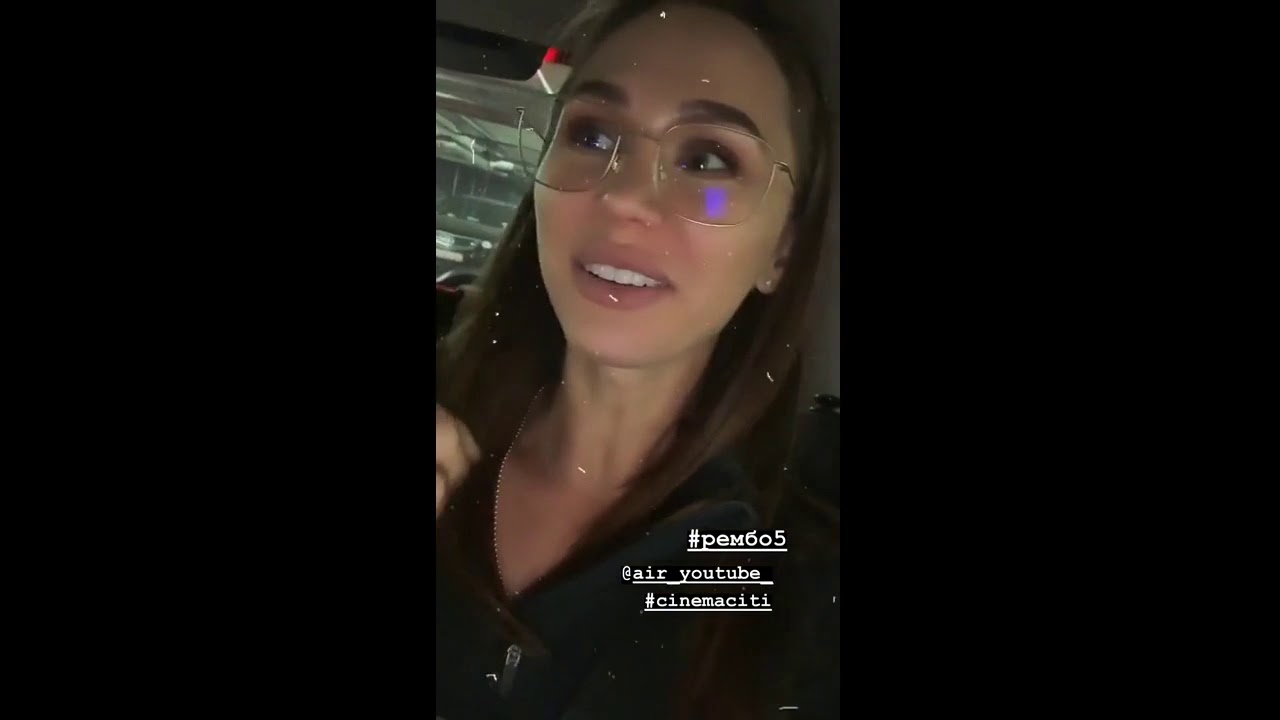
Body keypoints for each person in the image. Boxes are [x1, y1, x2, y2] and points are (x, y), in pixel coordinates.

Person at [435, 0, 839, 717]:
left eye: (707, 159)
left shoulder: (788, 581)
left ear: (781, 249)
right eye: (591, 135)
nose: (623, 196)